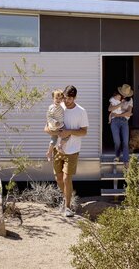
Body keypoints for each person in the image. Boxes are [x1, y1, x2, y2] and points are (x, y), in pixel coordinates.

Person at [45, 85, 88, 217]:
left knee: (66, 178)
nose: (66, 101)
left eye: (69, 98)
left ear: (74, 98)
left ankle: (68, 207)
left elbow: (84, 131)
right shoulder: (58, 107)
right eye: (65, 97)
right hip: (58, 149)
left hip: (72, 150)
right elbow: (46, 127)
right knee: (58, 178)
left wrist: (69, 132)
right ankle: (66, 199)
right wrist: (54, 131)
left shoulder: (81, 111)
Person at [109, 84, 133, 166]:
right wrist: (120, 105)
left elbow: (129, 113)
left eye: (126, 94)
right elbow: (110, 109)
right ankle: (117, 156)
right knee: (117, 141)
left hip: (124, 121)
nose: (124, 96)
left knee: (125, 142)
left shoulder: (130, 100)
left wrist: (117, 115)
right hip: (114, 121)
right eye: (124, 94)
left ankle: (126, 160)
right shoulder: (115, 98)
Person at [45, 89, 66, 161]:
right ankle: (50, 151)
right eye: (56, 98)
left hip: (60, 125)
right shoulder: (51, 107)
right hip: (54, 126)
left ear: (62, 99)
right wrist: (55, 122)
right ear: (53, 98)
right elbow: (48, 117)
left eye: (60, 98)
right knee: (55, 139)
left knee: (56, 139)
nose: (58, 100)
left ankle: (55, 148)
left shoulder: (61, 107)